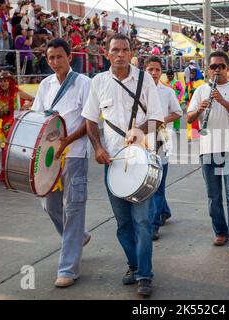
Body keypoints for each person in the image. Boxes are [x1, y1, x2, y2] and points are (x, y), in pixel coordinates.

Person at [82, 33, 164, 297]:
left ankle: (144, 274)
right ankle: (134, 264)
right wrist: (98, 147)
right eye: (115, 50)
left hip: (140, 161)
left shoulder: (144, 80)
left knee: (142, 222)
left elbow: (157, 119)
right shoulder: (98, 82)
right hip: (112, 162)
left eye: (124, 50)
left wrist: (139, 130)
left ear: (131, 53)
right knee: (123, 224)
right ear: (107, 54)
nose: (119, 54)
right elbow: (91, 120)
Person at [31, 38, 91, 287]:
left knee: (74, 207)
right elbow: (37, 117)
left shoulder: (84, 83)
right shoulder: (45, 85)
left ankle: (68, 268)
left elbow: (90, 121)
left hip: (75, 153)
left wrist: (68, 140)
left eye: (59, 57)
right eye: (51, 58)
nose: (55, 62)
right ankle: (79, 237)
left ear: (69, 57)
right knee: (49, 204)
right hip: (49, 157)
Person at [187, 51, 229, 255]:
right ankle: (221, 231)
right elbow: (189, 119)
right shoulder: (200, 91)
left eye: (221, 66)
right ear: (207, 69)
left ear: (228, 68)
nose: (217, 70)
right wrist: (198, 111)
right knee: (213, 196)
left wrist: (222, 101)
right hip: (208, 150)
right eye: (213, 66)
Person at [144, 56, 182, 240]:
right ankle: (164, 210)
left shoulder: (167, 92)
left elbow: (177, 112)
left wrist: (162, 120)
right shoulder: (138, 91)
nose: (153, 73)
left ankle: (153, 225)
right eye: (150, 69)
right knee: (148, 184)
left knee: (157, 185)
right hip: (142, 142)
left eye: (157, 70)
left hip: (162, 141)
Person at [0, 71, 34, 182]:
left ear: (10, 81)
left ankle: (24, 173)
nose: (3, 83)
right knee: (5, 150)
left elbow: (33, 99)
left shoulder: (17, 93)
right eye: (1, 81)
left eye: (5, 81)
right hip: (6, 127)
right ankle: (7, 174)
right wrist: (1, 111)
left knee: (20, 151)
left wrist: (26, 106)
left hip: (18, 125)